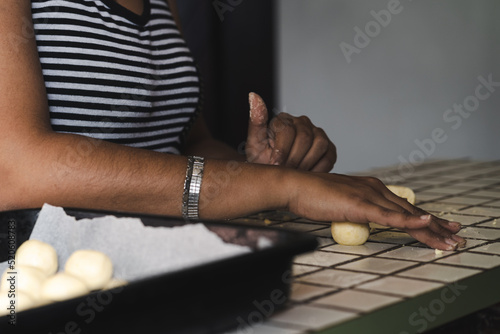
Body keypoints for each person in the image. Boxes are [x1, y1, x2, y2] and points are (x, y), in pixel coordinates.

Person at [0, 0, 465, 251]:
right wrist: (280, 186)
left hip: (163, 256)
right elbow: (18, 167)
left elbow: (189, 143)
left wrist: (256, 166)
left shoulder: (163, 4)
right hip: (34, 275)